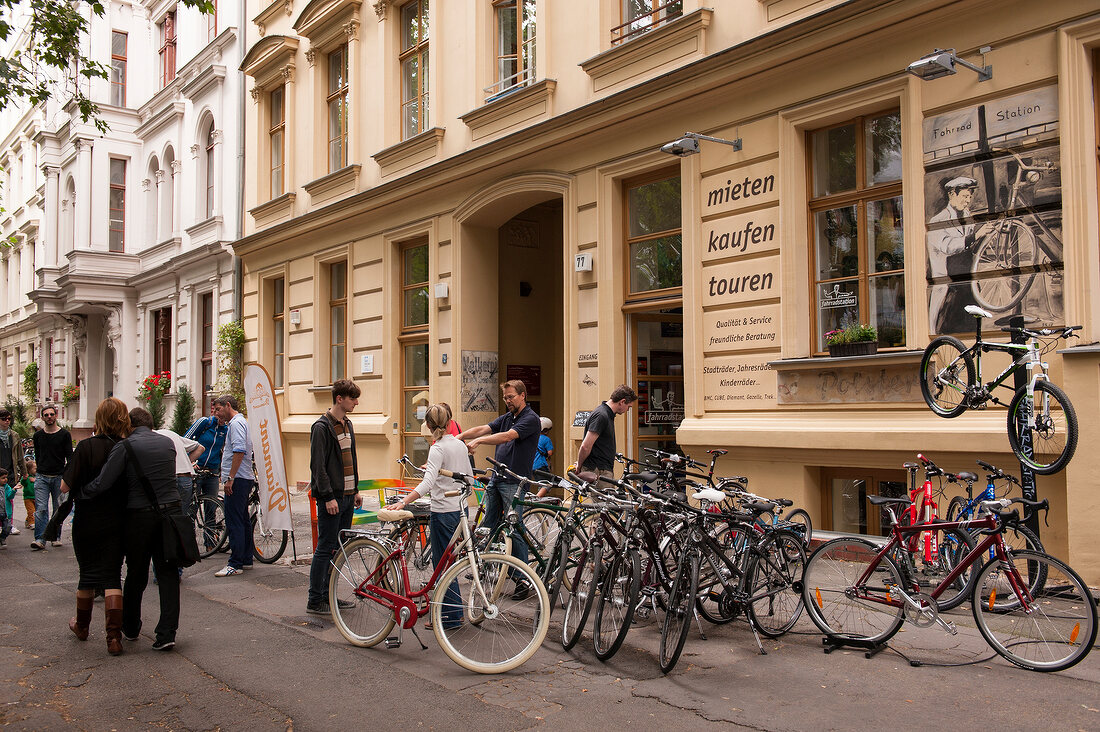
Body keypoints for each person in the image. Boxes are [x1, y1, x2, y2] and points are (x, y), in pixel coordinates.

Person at [80, 407, 181, 652]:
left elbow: (104, 482)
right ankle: (167, 633)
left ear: (129, 425)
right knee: (167, 574)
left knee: (136, 572)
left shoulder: (124, 446)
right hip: (171, 514)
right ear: (152, 423)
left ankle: (132, 626)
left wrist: (82, 493)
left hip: (140, 517)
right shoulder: (168, 443)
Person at [58, 398, 131, 655]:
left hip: (87, 519)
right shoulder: (126, 447)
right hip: (117, 519)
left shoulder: (86, 447)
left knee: (87, 574)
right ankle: (114, 638)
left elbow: (64, 486)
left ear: (98, 419)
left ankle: (82, 627)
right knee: (112, 575)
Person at [457, 380, 540, 598]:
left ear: (523, 395)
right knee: (489, 524)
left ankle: (523, 579)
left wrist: (479, 442)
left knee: (514, 527)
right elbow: (484, 427)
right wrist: (461, 436)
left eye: (511, 397)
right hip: (497, 477)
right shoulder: (508, 417)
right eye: (505, 398)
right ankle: (485, 565)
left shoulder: (530, 419)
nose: (507, 401)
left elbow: (508, 436)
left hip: (514, 481)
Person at [390, 404, 468, 629]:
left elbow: (427, 483)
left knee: (441, 563)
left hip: (443, 510)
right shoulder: (459, 444)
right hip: (459, 509)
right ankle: (454, 612)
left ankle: (450, 615)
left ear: (429, 425)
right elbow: (468, 478)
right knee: (451, 561)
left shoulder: (438, 448)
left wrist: (405, 501)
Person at [306, 379, 363, 615]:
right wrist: (328, 497)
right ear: (339, 398)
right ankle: (315, 598)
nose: (356, 403)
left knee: (338, 548)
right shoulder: (321, 427)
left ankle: (329, 595)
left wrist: (356, 489)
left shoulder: (347, 423)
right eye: (352, 398)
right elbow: (318, 467)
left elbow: (351, 458)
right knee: (325, 547)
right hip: (332, 498)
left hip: (348, 496)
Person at [927, 176, 994, 334]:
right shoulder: (938, 220)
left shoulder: (966, 216)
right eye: (964, 196)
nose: (968, 200)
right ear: (952, 194)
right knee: (947, 329)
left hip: (968, 285)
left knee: (971, 329)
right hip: (950, 288)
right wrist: (975, 236)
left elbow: (970, 247)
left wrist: (984, 235)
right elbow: (948, 246)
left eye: (969, 196)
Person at [212, 395, 256, 578]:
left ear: (228, 405)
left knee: (234, 521)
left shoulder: (236, 424)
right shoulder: (240, 422)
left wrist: (230, 477)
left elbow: (239, 450)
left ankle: (235, 563)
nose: (216, 413)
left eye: (218, 409)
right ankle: (245, 559)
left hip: (238, 479)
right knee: (242, 519)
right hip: (242, 478)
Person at [31, 405, 72, 550]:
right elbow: (38, 454)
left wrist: (66, 477)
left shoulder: (64, 435)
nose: (49, 417)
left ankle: (55, 536)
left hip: (58, 477)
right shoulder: (38, 436)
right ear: (42, 417)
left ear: (56, 416)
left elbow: (69, 457)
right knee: (41, 508)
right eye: (46, 415)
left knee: (57, 508)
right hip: (42, 476)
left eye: (51, 414)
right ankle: (40, 539)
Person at [576, 385, 639, 480]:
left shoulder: (606, 414)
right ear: (622, 402)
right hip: (598, 470)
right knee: (603, 495)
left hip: (601, 469)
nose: (627, 410)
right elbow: (586, 446)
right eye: (628, 407)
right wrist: (579, 465)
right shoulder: (601, 415)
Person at [0, 410, 27, 527]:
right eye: (4, 419)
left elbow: (20, 456)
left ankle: (8, 524)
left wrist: (24, 472)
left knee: (9, 499)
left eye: (9, 419)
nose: (7, 421)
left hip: (10, 472)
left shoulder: (14, 435)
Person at [21, 460, 36, 530]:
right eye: (35, 468)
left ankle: (28, 520)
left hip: (36, 497)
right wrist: (24, 479)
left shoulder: (38, 477)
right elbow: (23, 483)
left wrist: (35, 480)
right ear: (29, 470)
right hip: (28, 497)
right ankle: (32, 523)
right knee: (31, 511)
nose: (36, 470)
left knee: (34, 511)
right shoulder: (26, 477)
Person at [0, 469, 12, 548]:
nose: (5, 480)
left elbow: (10, 496)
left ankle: (2, 538)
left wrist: (14, 490)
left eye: (6, 477)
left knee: (8, 527)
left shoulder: (7, 487)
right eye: (3, 478)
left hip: (5, 512)